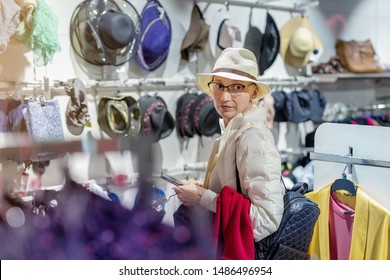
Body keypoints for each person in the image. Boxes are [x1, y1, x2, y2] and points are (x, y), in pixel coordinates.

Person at [174, 47, 285, 257]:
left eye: (236, 87)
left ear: (253, 92)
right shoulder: (233, 130)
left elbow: (266, 220)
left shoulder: (253, 137)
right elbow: (235, 191)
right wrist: (204, 187)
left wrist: (203, 197)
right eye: (219, 86)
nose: (225, 96)